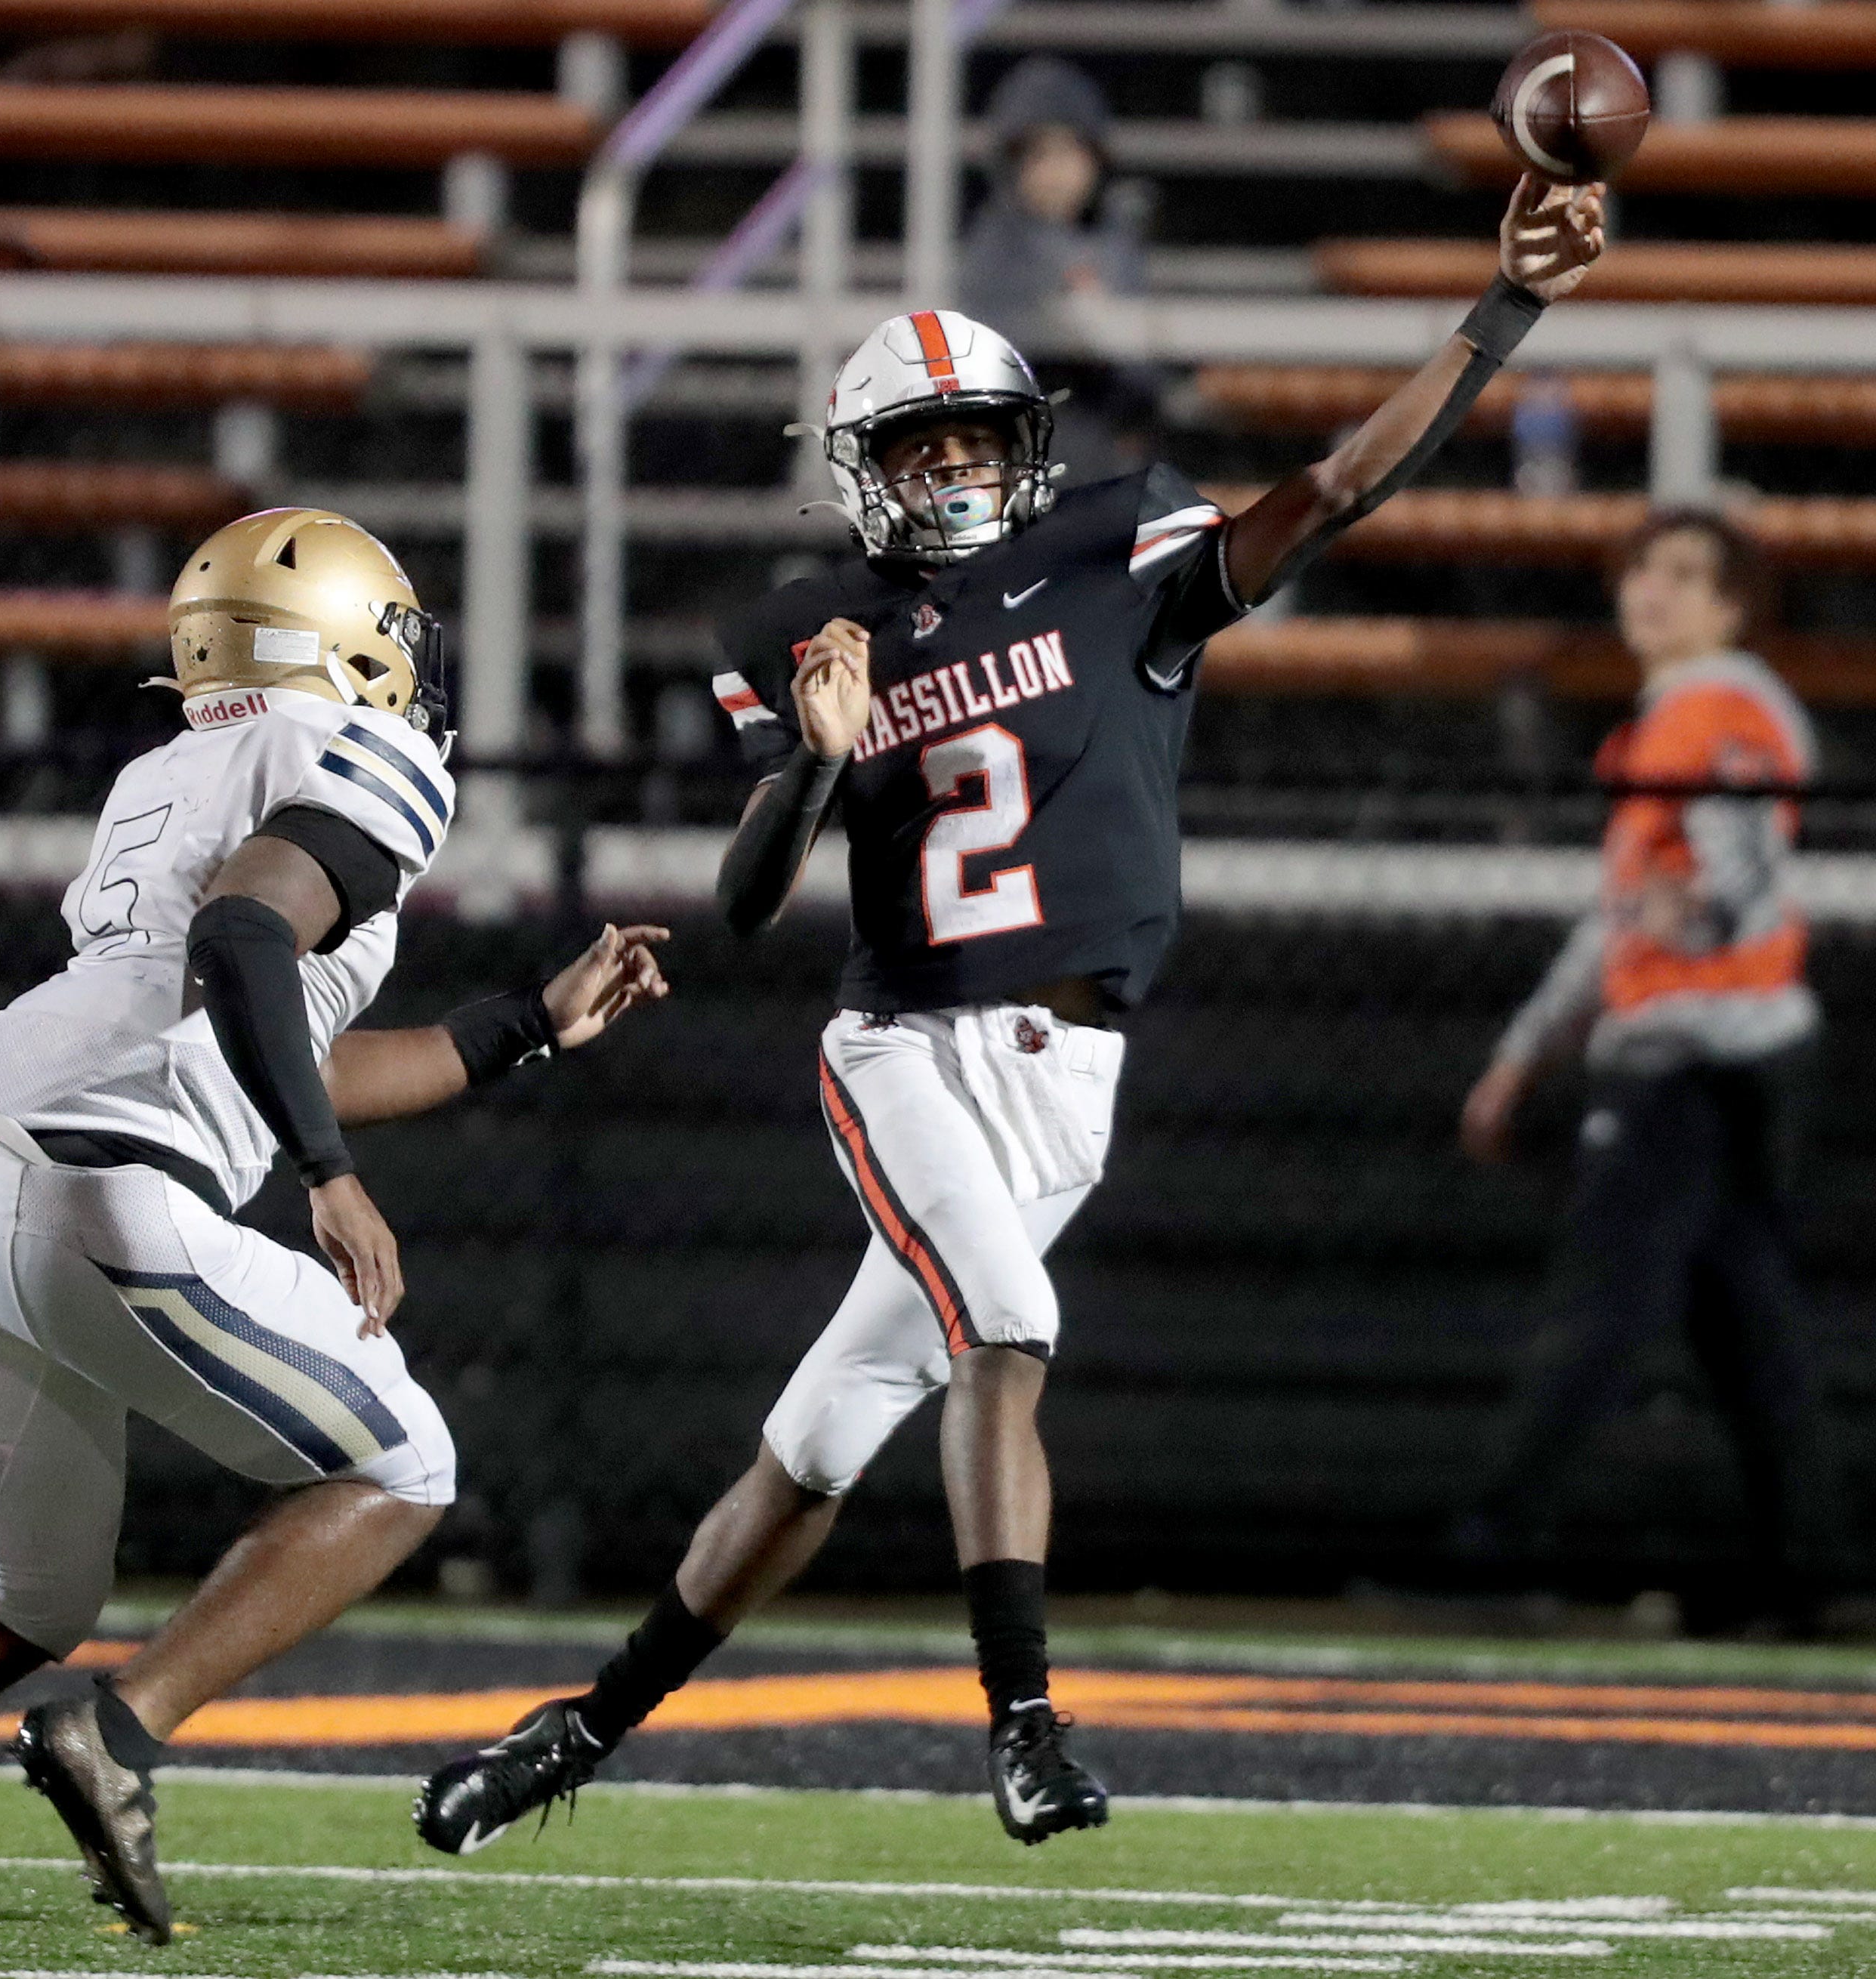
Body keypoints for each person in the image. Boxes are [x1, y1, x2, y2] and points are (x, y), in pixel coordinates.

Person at [415, 174, 1605, 1853]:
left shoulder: (1123, 547)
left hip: (1072, 1076)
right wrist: (822, 760)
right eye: (923, 447)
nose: (961, 467)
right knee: (1010, 1328)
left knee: (817, 1447)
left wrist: (1508, 307)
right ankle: (1026, 1723)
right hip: (903, 1045)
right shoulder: (804, 637)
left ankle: (575, 1731)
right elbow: (753, 904)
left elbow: (1337, 485)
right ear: (864, 471)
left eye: (979, 436)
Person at [0, 508, 669, 1953]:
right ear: (353, 646)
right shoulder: (368, 751)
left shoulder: (170, 768)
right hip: (103, 1194)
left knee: (22, 1590)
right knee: (406, 1460)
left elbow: (258, 1026)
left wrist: (525, 1031)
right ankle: (120, 1736)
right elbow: (245, 945)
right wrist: (327, 1177)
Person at [1455, 509, 1845, 1631]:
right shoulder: (1678, 715)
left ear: (1732, 607)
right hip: (1724, 1050)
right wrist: (1528, 1051)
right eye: (1642, 571)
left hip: (1694, 1056)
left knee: (1606, 1304)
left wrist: (1703, 914)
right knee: (1745, 1322)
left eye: (1684, 576)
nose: (1653, 594)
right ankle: (1807, 1569)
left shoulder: (1716, 709)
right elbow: (1627, 916)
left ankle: (1492, 1545)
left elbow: (1737, 874)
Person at [957, 57, 1158, 477]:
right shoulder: (994, 246)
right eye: (1039, 156)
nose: (1057, 172)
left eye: (1071, 152)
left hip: (1104, 463)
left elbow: (1146, 369)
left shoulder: (1116, 245)